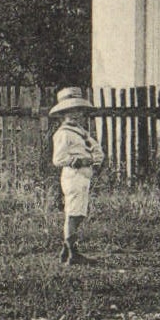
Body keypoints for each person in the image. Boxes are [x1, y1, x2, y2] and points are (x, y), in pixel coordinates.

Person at [49, 87, 105, 264]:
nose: (74, 115)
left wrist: (96, 160)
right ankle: (72, 252)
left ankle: (67, 249)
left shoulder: (81, 132)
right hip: (73, 175)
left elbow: (96, 149)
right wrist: (78, 161)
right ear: (63, 114)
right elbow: (58, 159)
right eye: (69, 111)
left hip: (83, 176)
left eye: (77, 110)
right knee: (74, 212)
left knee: (79, 212)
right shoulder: (63, 134)